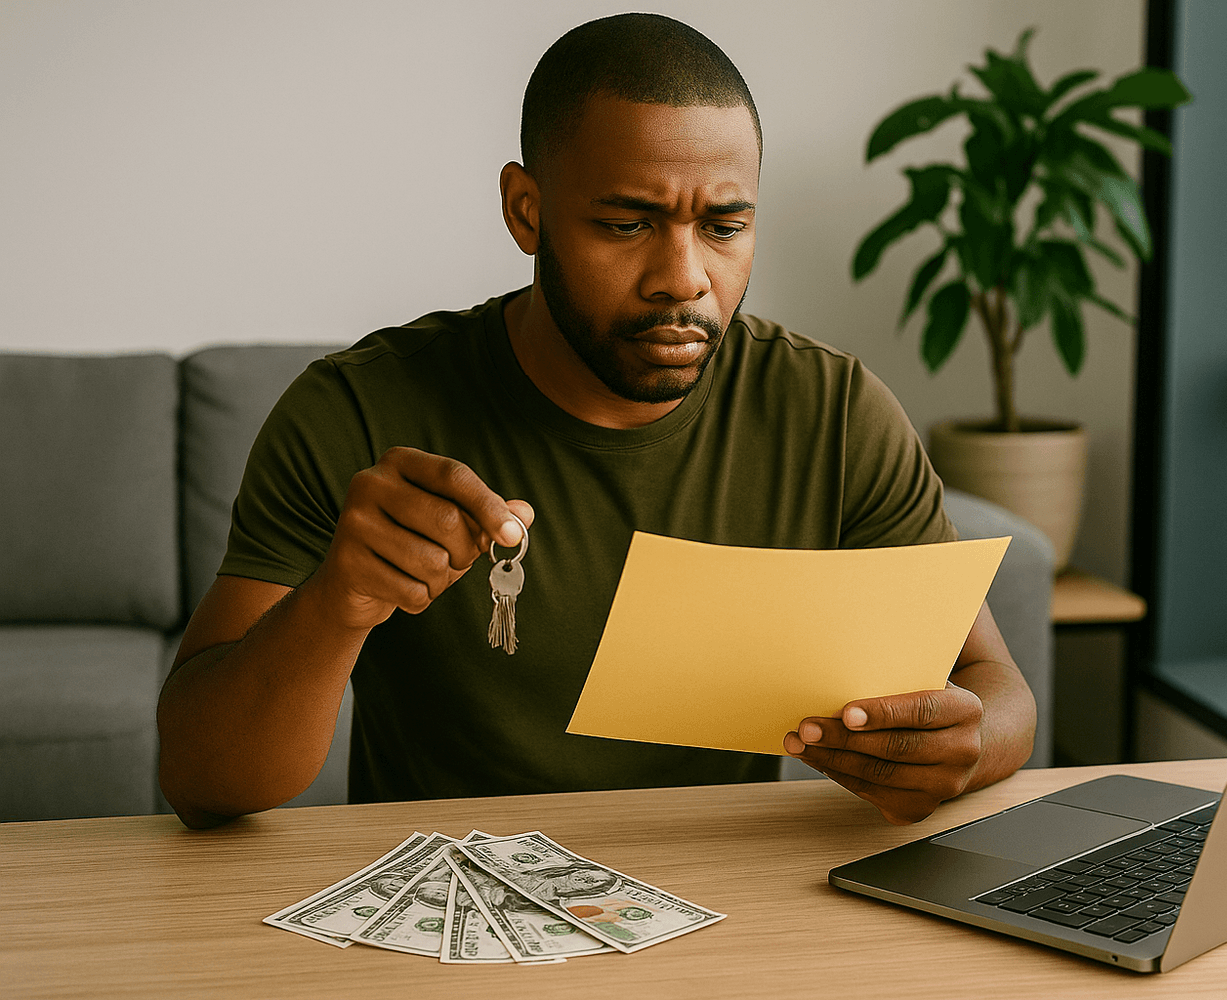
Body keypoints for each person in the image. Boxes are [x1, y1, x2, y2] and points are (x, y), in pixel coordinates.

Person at [156, 12, 1036, 831]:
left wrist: (960, 748)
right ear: (526, 212)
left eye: (725, 226)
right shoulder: (357, 411)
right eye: (626, 223)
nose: (683, 278)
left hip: (718, 916)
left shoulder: (833, 414)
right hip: (442, 919)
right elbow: (200, 778)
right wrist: (336, 607)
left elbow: (996, 691)